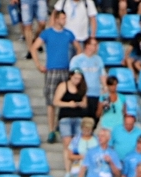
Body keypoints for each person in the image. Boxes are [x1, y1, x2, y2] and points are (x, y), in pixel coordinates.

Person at [32, 11, 79, 143]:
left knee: (64, 100)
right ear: (56, 19)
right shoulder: (47, 33)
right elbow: (34, 47)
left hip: (65, 70)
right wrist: (38, 65)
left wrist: (74, 64)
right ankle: (51, 130)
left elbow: (78, 48)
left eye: (65, 18)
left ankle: (60, 125)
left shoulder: (68, 33)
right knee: (51, 101)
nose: (64, 20)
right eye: (63, 18)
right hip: (52, 70)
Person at [55, 70, 89, 165]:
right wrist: (68, 104)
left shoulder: (81, 87)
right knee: (68, 144)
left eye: (79, 79)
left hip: (78, 117)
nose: (77, 81)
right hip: (65, 117)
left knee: (78, 144)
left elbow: (85, 103)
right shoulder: (63, 86)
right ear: (70, 76)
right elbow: (56, 101)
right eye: (75, 78)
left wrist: (81, 104)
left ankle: (76, 166)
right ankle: (68, 169)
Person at [70, 38, 106, 119]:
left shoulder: (98, 59)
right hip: (82, 94)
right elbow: (73, 77)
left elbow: (102, 74)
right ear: (87, 45)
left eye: (96, 45)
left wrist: (105, 86)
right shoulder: (77, 60)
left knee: (94, 117)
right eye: (94, 45)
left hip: (95, 93)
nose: (96, 47)